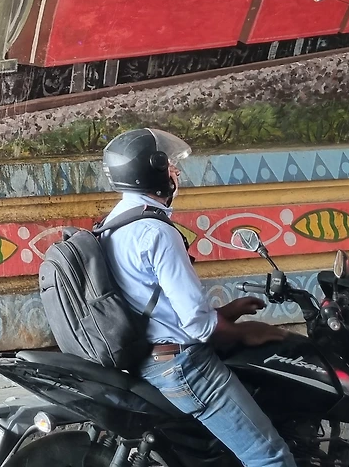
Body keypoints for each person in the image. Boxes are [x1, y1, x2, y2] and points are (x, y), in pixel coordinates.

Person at [100, 127, 297, 467]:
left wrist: (228, 311)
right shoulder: (156, 232)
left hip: (147, 358)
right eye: (169, 166)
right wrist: (244, 332)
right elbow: (196, 323)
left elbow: (152, 302)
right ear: (153, 172)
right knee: (270, 457)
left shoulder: (115, 222)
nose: (176, 172)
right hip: (181, 366)